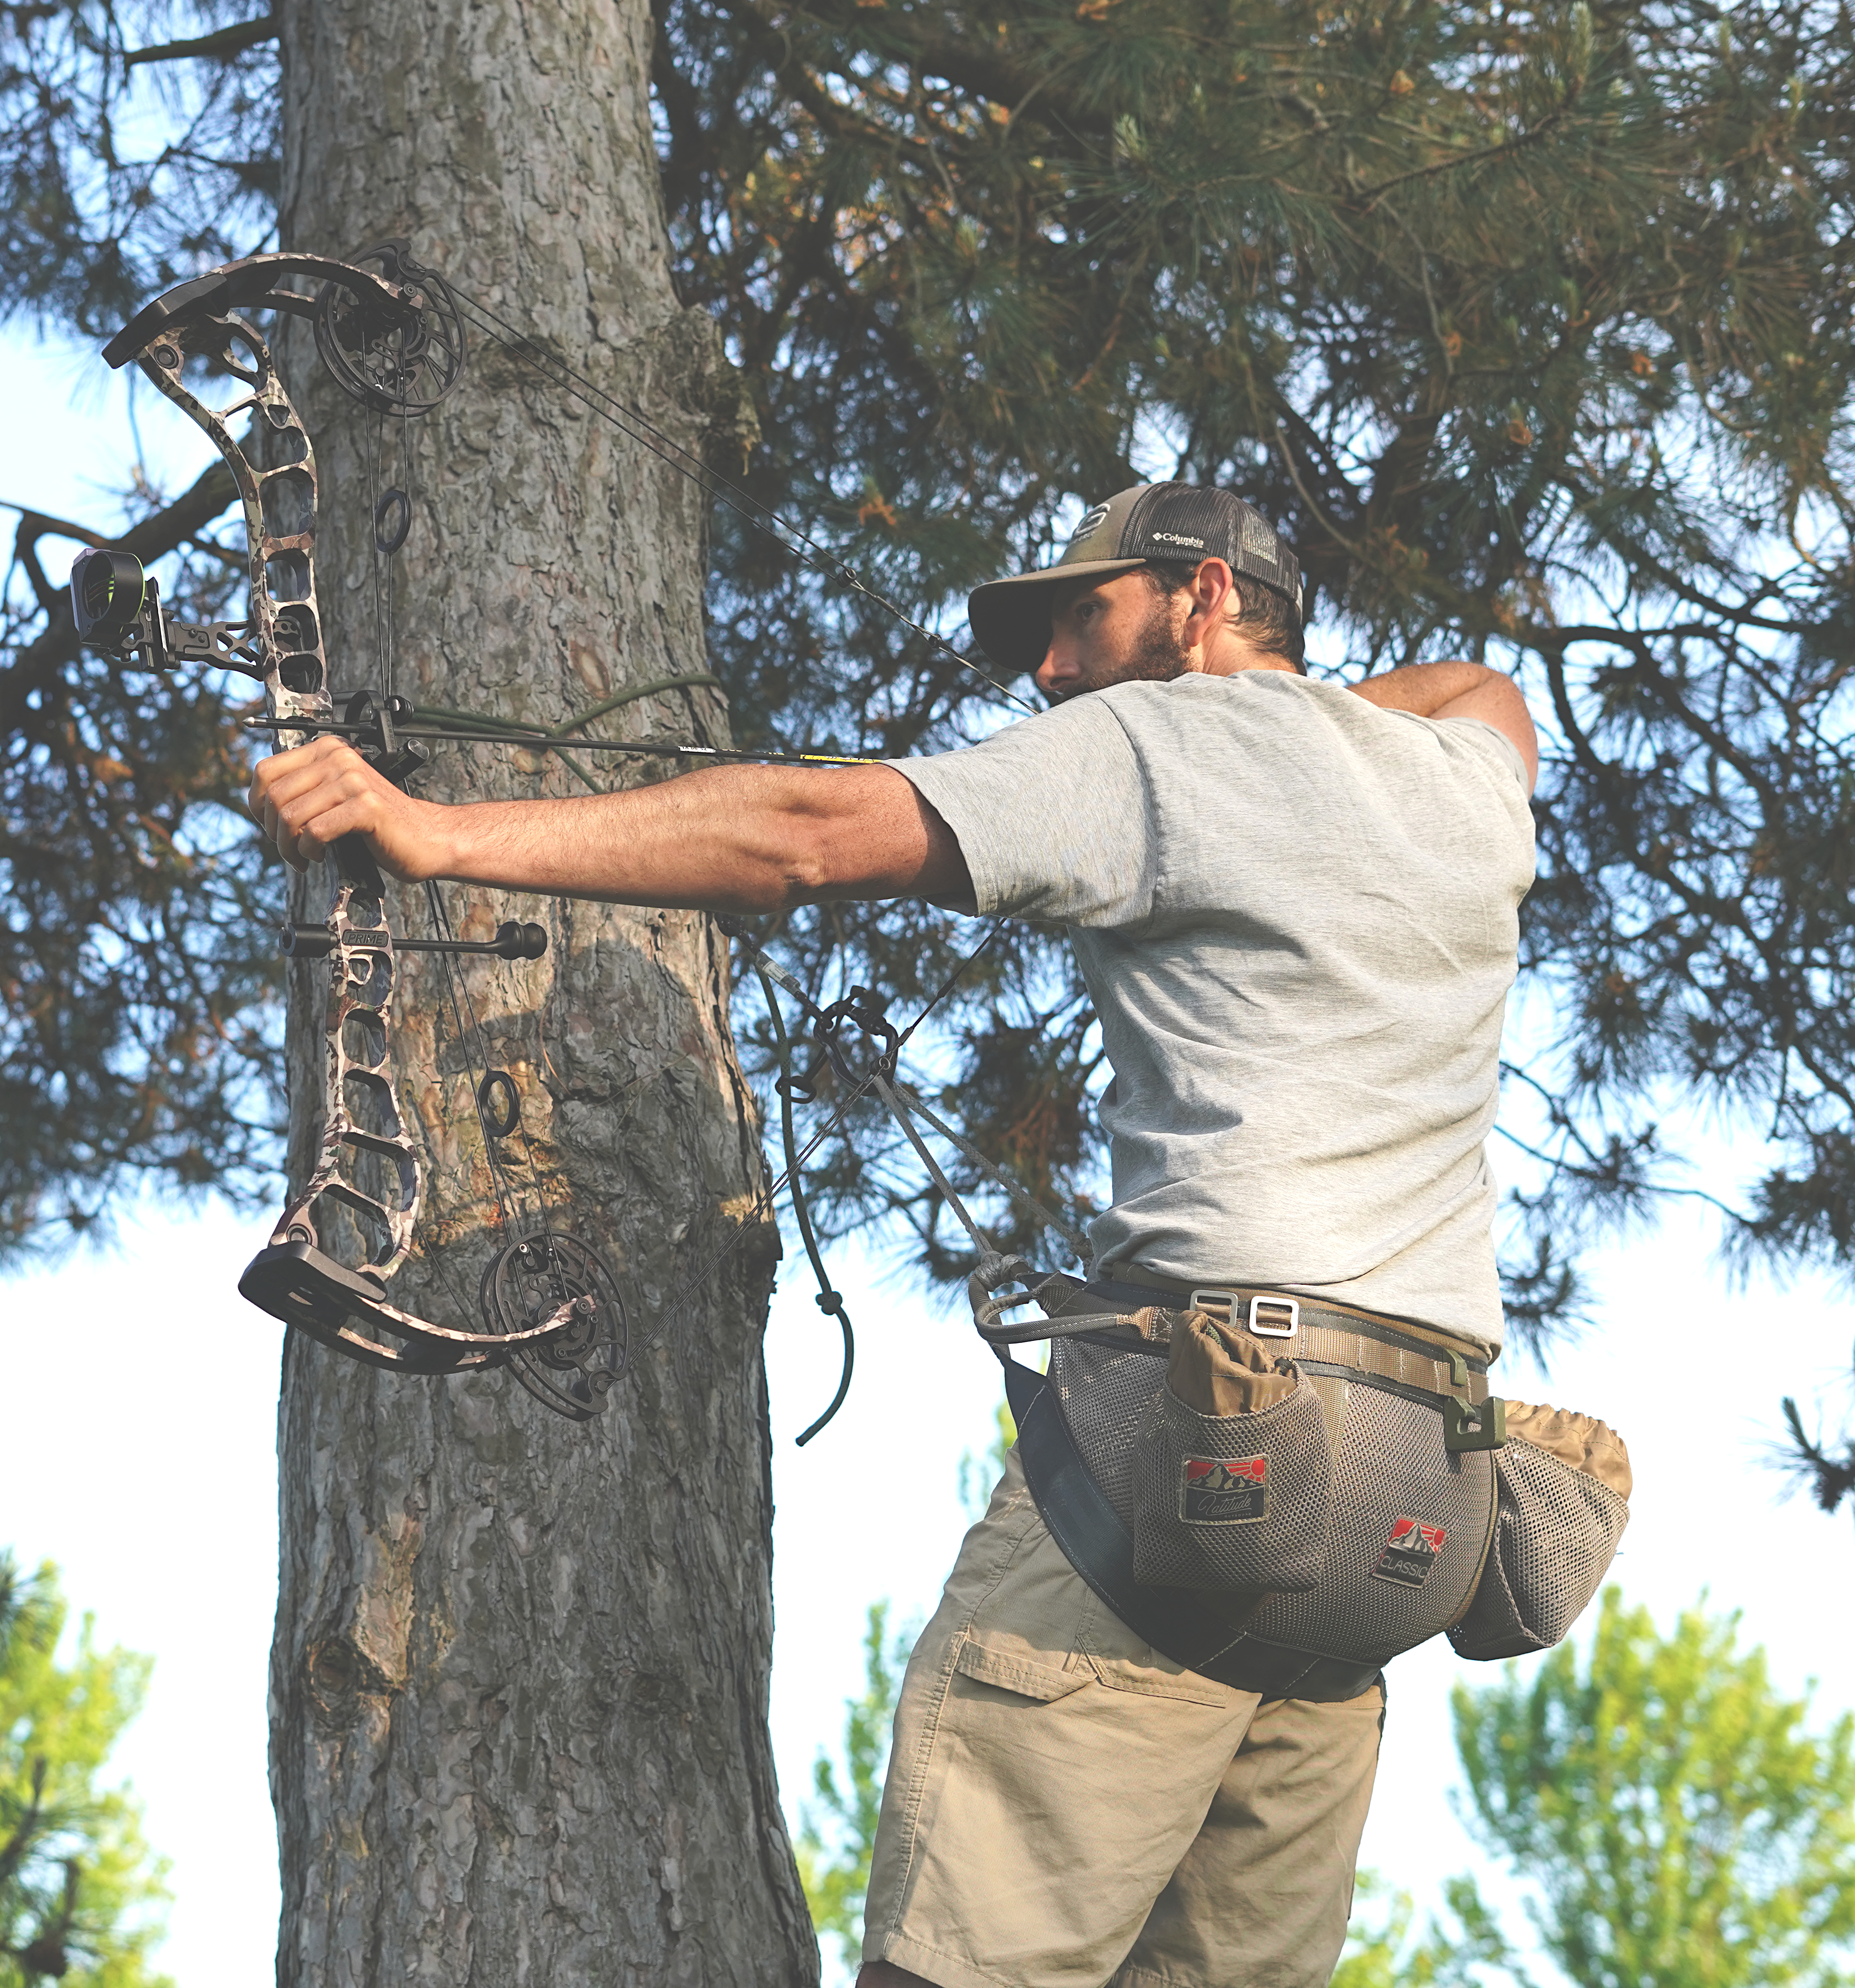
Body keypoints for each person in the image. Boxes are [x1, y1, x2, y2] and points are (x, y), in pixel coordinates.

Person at [248, 483, 1537, 1988]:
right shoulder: (1460, 777)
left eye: (1084, 614)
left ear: (1199, 598)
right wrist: (1319, 734)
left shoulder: (1166, 742)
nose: (1051, 672)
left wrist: (431, 833)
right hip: (1412, 1519)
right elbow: (1483, 686)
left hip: (1204, 1473)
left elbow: (804, 835)